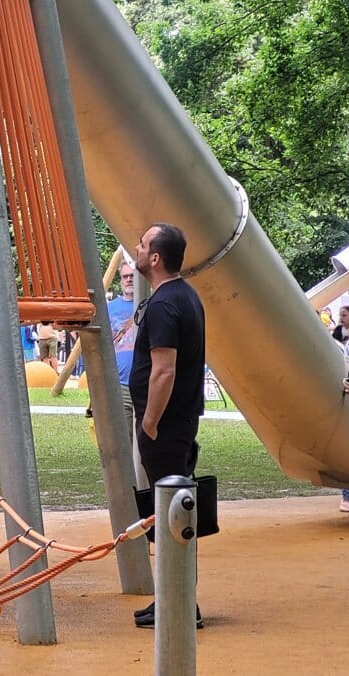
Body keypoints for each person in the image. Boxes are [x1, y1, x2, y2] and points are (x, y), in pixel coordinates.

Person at [127, 223, 206, 630]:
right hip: (180, 425)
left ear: (155, 257)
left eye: (141, 245)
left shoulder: (163, 304)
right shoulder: (185, 296)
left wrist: (150, 422)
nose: (136, 250)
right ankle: (172, 599)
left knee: (171, 515)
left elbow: (164, 370)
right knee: (171, 513)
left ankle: (178, 606)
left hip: (167, 428)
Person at [107, 262, 138, 439]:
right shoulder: (110, 308)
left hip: (146, 383)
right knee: (124, 437)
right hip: (120, 384)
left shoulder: (150, 305)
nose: (128, 280)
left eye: (132, 276)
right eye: (125, 276)